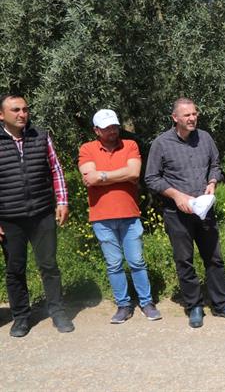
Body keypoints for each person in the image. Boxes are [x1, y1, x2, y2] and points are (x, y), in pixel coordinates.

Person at [144, 98, 225, 328]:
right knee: (184, 260)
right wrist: (177, 196)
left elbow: (215, 165)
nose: (192, 118)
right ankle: (194, 306)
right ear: (175, 118)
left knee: (214, 258)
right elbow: (151, 178)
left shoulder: (205, 138)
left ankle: (221, 304)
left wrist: (212, 182)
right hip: (176, 213)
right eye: (187, 115)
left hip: (204, 210)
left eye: (194, 114)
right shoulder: (161, 143)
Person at [0, 94, 74, 337]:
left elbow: (55, 169)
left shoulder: (40, 136)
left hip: (42, 213)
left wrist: (62, 201)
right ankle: (21, 316)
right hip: (10, 218)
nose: (22, 114)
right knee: (15, 269)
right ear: (2, 115)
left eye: (25, 109)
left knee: (49, 265)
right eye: (16, 110)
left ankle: (58, 311)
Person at [78, 109, 161, 323]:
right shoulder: (87, 149)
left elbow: (133, 173)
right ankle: (123, 305)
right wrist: (119, 175)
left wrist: (103, 175)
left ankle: (146, 302)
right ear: (96, 130)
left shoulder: (130, 146)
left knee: (137, 261)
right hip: (101, 217)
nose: (113, 131)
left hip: (129, 214)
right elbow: (89, 178)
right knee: (114, 264)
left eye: (114, 126)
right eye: (107, 128)